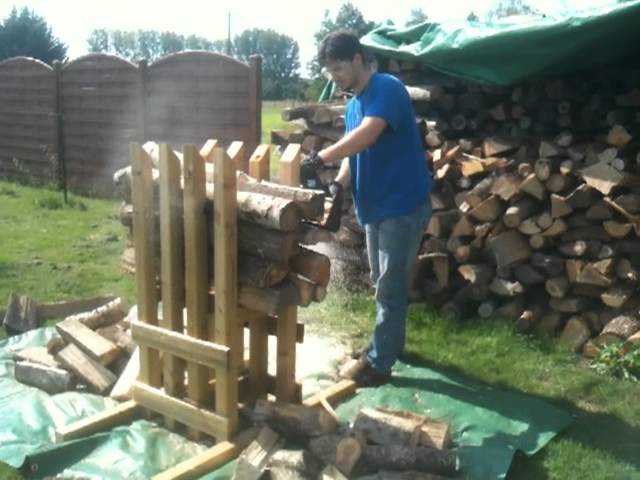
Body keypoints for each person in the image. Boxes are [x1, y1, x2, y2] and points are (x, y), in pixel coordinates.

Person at [301, 30, 433, 387]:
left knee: (389, 286)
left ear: (358, 59)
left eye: (339, 68)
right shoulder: (355, 103)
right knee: (382, 282)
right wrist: (338, 183)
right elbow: (356, 151)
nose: (335, 77)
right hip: (376, 207)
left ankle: (379, 363)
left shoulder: (387, 88)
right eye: (330, 71)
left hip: (402, 204)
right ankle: (389, 345)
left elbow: (370, 134)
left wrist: (320, 157)